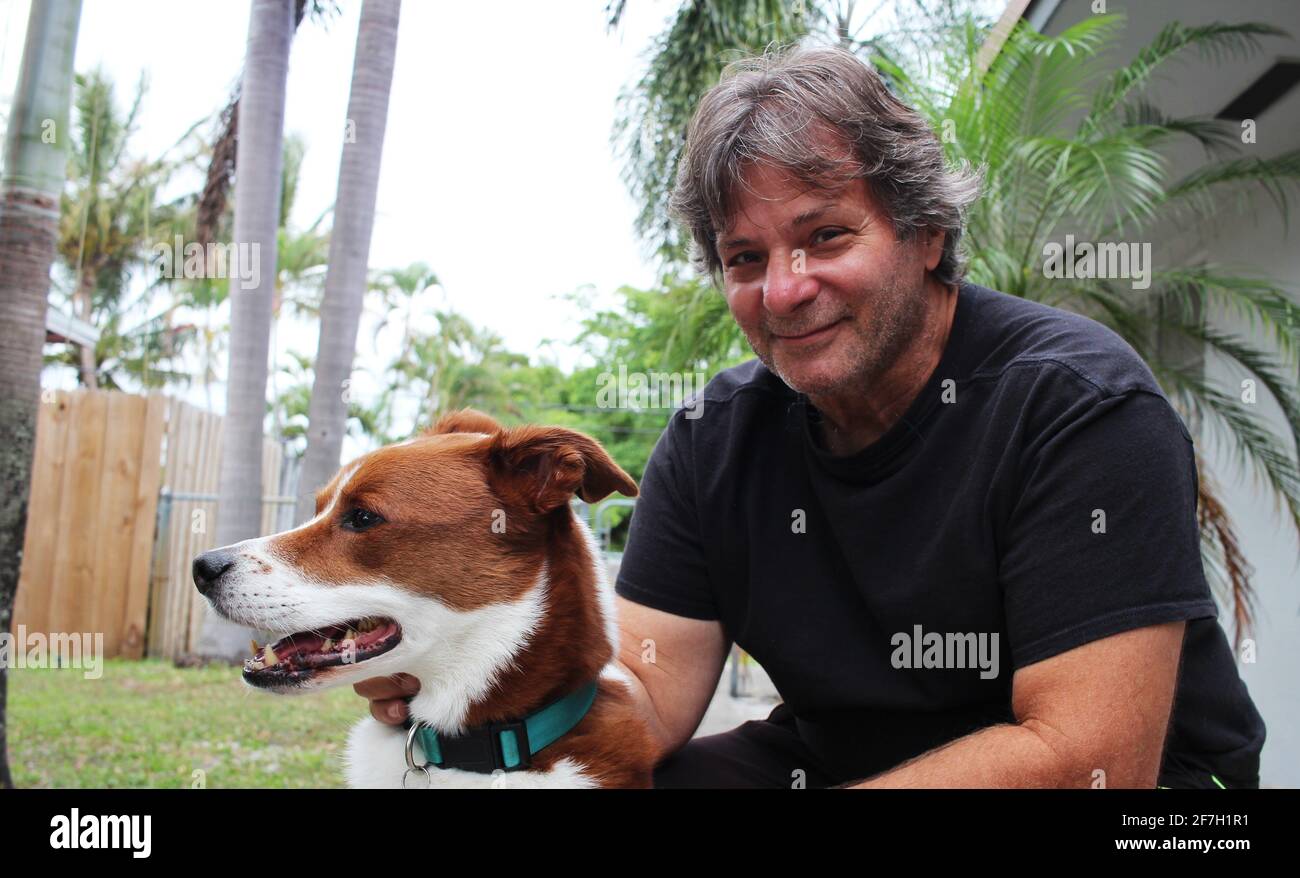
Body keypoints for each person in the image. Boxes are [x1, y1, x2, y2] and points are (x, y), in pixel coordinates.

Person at [356, 45, 1265, 788]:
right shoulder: (716, 436)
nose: (785, 290)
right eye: (745, 257)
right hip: (838, 766)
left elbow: (1086, 760)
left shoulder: (1077, 405)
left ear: (927, 232)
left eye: (825, 235)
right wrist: (464, 668)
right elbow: (643, 695)